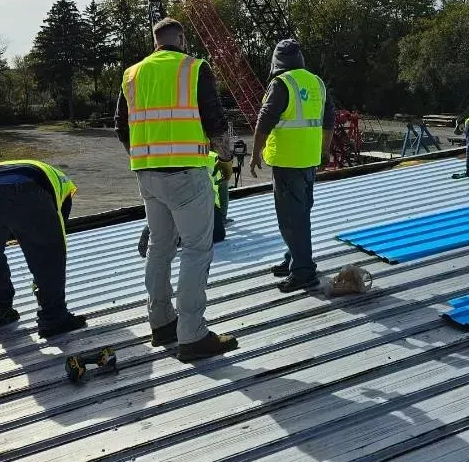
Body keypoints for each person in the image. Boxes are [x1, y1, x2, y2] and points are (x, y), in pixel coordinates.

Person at [115, 18, 237, 361]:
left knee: (159, 247)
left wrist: (146, 158)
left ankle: (162, 324)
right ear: (181, 39)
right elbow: (215, 121)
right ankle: (192, 335)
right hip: (186, 174)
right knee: (197, 250)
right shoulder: (194, 68)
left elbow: (121, 127)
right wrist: (225, 159)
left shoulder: (132, 74)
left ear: (155, 41)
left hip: (147, 174)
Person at [0, 160, 87, 337]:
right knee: (50, 255)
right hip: (26, 188)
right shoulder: (63, 189)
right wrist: (42, 283)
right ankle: (54, 318)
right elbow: (53, 245)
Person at [250, 39, 335, 293]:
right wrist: (325, 150)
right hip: (309, 161)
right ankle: (295, 259)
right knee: (300, 214)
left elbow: (264, 121)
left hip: (287, 163)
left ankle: (303, 272)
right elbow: (329, 118)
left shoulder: (281, 84)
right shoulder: (316, 82)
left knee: (290, 219)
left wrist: (255, 153)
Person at [136, 149, 227, 256]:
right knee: (218, 234)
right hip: (205, 202)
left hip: (170, 193)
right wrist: (223, 216)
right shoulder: (215, 158)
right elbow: (223, 190)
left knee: (175, 215)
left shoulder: (179, 153)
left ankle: (161, 231)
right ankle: (177, 239)